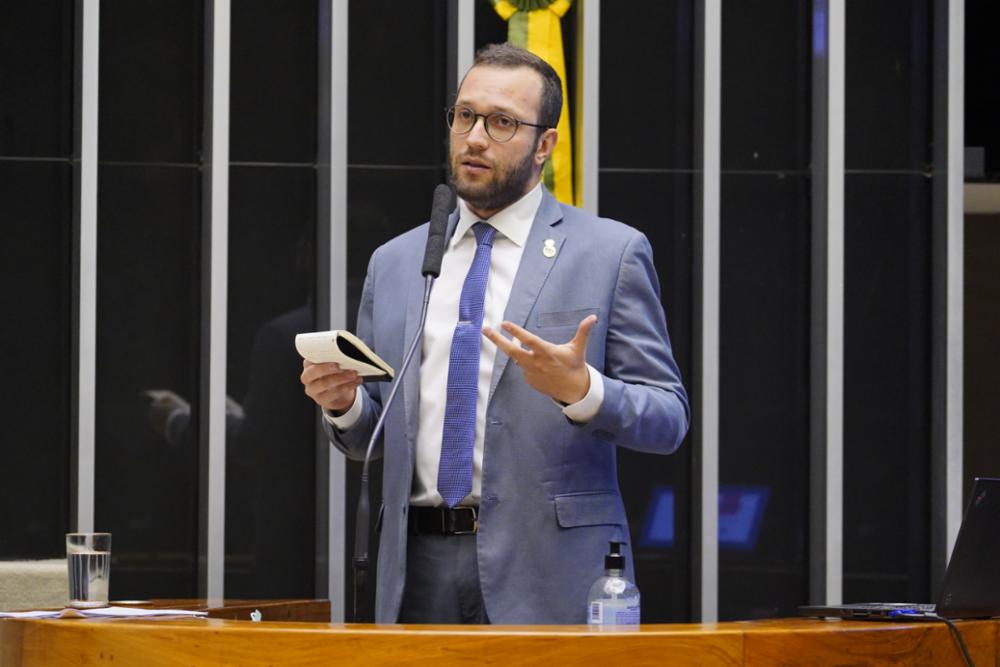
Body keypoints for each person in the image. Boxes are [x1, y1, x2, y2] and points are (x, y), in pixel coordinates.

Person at [300, 43, 689, 625]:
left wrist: (583, 390)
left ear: (545, 144)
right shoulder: (399, 261)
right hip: (415, 569)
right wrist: (345, 405)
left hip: (550, 570)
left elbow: (668, 418)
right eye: (465, 116)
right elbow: (374, 435)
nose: (475, 137)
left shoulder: (611, 253)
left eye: (502, 122)